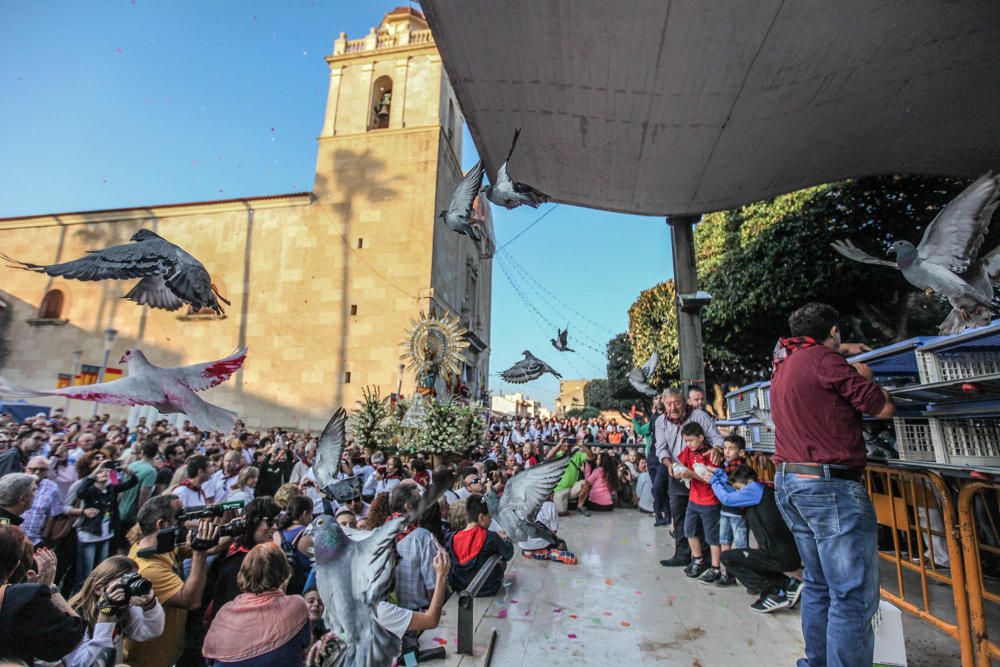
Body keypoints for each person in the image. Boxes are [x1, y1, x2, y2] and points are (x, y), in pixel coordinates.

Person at [770, 302, 893, 667]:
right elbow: (882, 408)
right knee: (851, 595)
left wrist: (842, 354)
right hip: (830, 488)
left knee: (819, 585)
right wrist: (866, 378)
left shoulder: (783, 364)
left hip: (791, 482)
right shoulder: (825, 361)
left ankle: (817, 661)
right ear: (834, 331)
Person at [124, 495, 220, 667]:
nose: (184, 522)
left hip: (167, 651)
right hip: (151, 659)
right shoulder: (148, 568)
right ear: (161, 525)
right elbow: (191, 600)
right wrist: (200, 552)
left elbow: (210, 546)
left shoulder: (157, 546)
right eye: (180, 516)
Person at [709, 465, 804, 613]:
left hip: (779, 555)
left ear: (749, 483)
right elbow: (731, 493)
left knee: (728, 557)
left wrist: (713, 480)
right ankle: (789, 584)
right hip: (782, 553)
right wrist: (719, 475)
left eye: (739, 488)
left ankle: (773, 593)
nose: (738, 493)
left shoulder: (756, 491)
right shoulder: (760, 492)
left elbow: (727, 498)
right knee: (750, 560)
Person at [202, 542, 311, 666]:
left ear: (243, 574)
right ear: (285, 573)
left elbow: (210, 659)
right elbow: (305, 643)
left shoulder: (224, 613)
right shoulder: (296, 606)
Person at [655, 388, 724, 567]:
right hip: (677, 471)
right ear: (664, 404)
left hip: (700, 474)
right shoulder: (661, 422)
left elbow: (717, 439)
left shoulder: (699, 416)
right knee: (678, 514)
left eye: (677, 402)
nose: (673, 407)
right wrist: (669, 464)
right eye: (669, 404)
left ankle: (706, 558)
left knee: (704, 515)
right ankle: (682, 553)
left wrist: (717, 449)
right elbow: (661, 447)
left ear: (685, 402)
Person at [0, 525, 86, 663]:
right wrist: (51, 590)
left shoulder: (21, 596)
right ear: (16, 565)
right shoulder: (22, 598)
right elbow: (73, 636)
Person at [63, 556, 165, 666]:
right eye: (123, 584)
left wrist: (150, 605)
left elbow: (149, 632)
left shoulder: (124, 605)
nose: (127, 589)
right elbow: (87, 664)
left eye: (132, 581)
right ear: (98, 589)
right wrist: (106, 617)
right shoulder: (74, 617)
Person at [205, 496, 281, 622]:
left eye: (277, 522)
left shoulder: (259, 555)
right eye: (270, 521)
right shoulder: (239, 562)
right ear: (253, 522)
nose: (275, 527)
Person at [675, 422, 723, 583]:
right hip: (693, 499)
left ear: (701, 438)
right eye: (686, 441)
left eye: (691, 440)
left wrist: (690, 474)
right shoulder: (688, 452)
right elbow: (681, 464)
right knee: (689, 531)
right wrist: (678, 471)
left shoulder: (711, 454)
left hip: (710, 500)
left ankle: (716, 567)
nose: (688, 444)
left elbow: (708, 479)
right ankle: (698, 559)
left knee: (712, 537)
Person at [446, 494, 513, 595]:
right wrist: (505, 538)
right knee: (501, 562)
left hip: (461, 588)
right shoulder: (490, 537)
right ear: (481, 517)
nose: (491, 521)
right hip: (487, 588)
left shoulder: (452, 538)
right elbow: (508, 554)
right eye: (489, 517)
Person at [390, 483, 439, 611]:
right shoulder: (422, 537)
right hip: (418, 616)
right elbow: (432, 584)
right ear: (408, 506)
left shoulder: (379, 533)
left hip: (390, 615)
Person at [518, 493, 576, 565]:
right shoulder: (550, 505)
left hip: (524, 545)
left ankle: (530, 552)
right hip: (542, 543)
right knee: (561, 543)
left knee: (527, 544)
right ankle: (551, 553)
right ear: (548, 494)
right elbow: (554, 531)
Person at [118, 442, 159, 541]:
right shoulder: (151, 471)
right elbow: (143, 497)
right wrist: (142, 517)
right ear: (155, 454)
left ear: (142, 452)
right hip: (133, 514)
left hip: (121, 510)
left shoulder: (132, 465)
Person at [273, 495, 314, 595]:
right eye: (311, 514)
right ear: (305, 514)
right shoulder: (308, 535)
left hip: (283, 590)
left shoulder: (277, 535)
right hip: (306, 592)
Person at [21, 456, 65, 547]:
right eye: (33, 469)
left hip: (35, 540)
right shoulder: (16, 483)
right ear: (26, 468)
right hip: (13, 537)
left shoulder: (52, 487)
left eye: (42, 469)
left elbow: (52, 515)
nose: (37, 472)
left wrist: (45, 536)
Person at [550, 438, 592, 516]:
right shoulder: (558, 454)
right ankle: (559, 503)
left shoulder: (577, 454)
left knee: (585, 484)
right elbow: (549, 457)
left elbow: (591, 457)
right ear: (561, 446)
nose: (566, 447)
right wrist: (559, 444)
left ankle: (580, 507)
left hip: (572, 488)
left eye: (568, 445)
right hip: (559, 490)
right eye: (564, 445)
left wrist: (582, 446)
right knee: (561, 513)